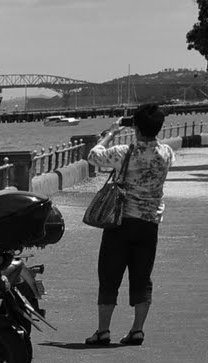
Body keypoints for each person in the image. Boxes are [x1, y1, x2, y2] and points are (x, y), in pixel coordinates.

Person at [84, 102, 173, 346]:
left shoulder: (125, 152)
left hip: (121, 222)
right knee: (142, 277)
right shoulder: (166, 153)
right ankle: (137, 330)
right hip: (149, 223)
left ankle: (103, 331)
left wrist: (110, 133)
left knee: (109, 275)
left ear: (135, 126)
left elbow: (93, 156)